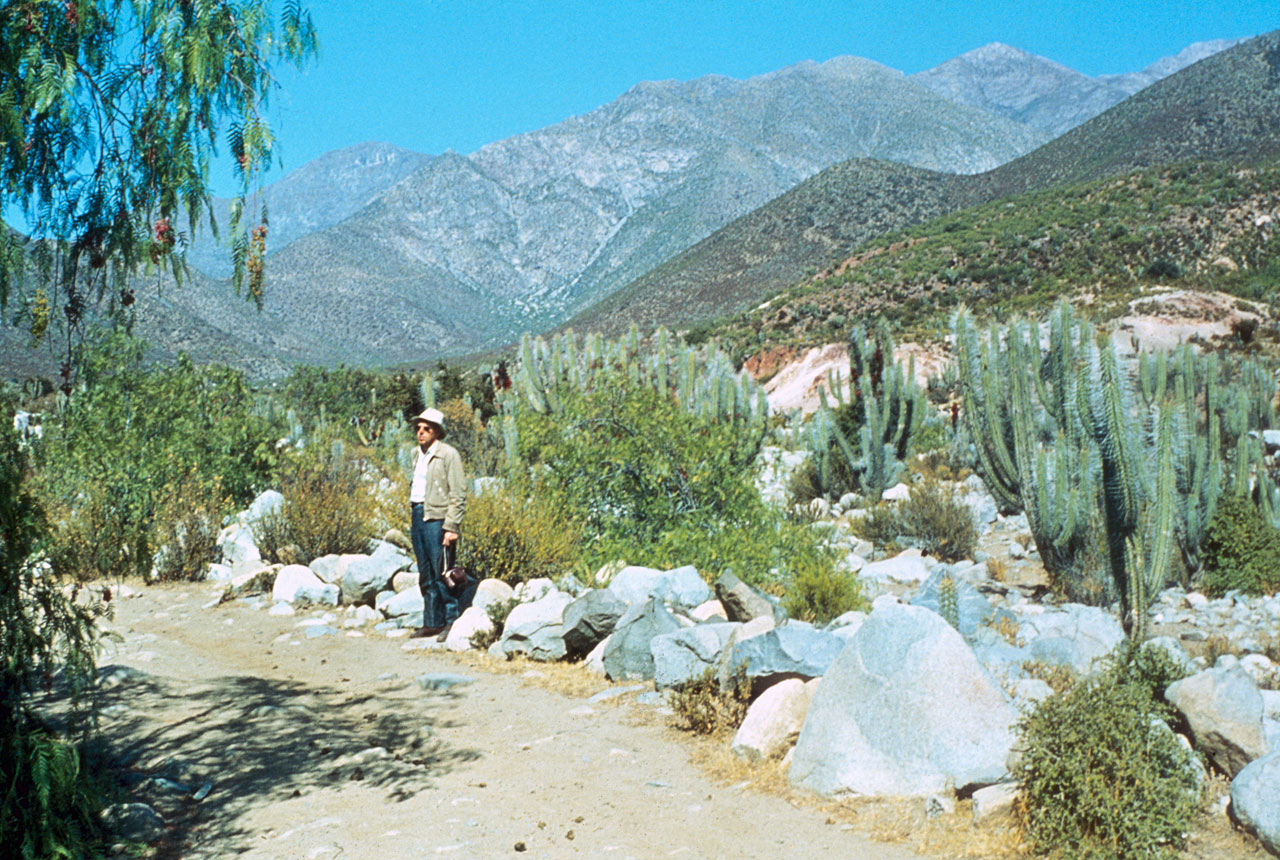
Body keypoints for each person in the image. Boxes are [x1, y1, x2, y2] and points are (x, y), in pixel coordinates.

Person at [407, 407, 467, 638]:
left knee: (443, 570)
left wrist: (452, 526)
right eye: (418, 428)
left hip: (438, 517)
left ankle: (451, 622)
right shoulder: (416, 454)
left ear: (437, 431)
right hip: (418, 513)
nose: (421, 432)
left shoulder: (448, 455)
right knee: (426, 572)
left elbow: (458, 492)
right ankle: (432, 621)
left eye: (427, 428)